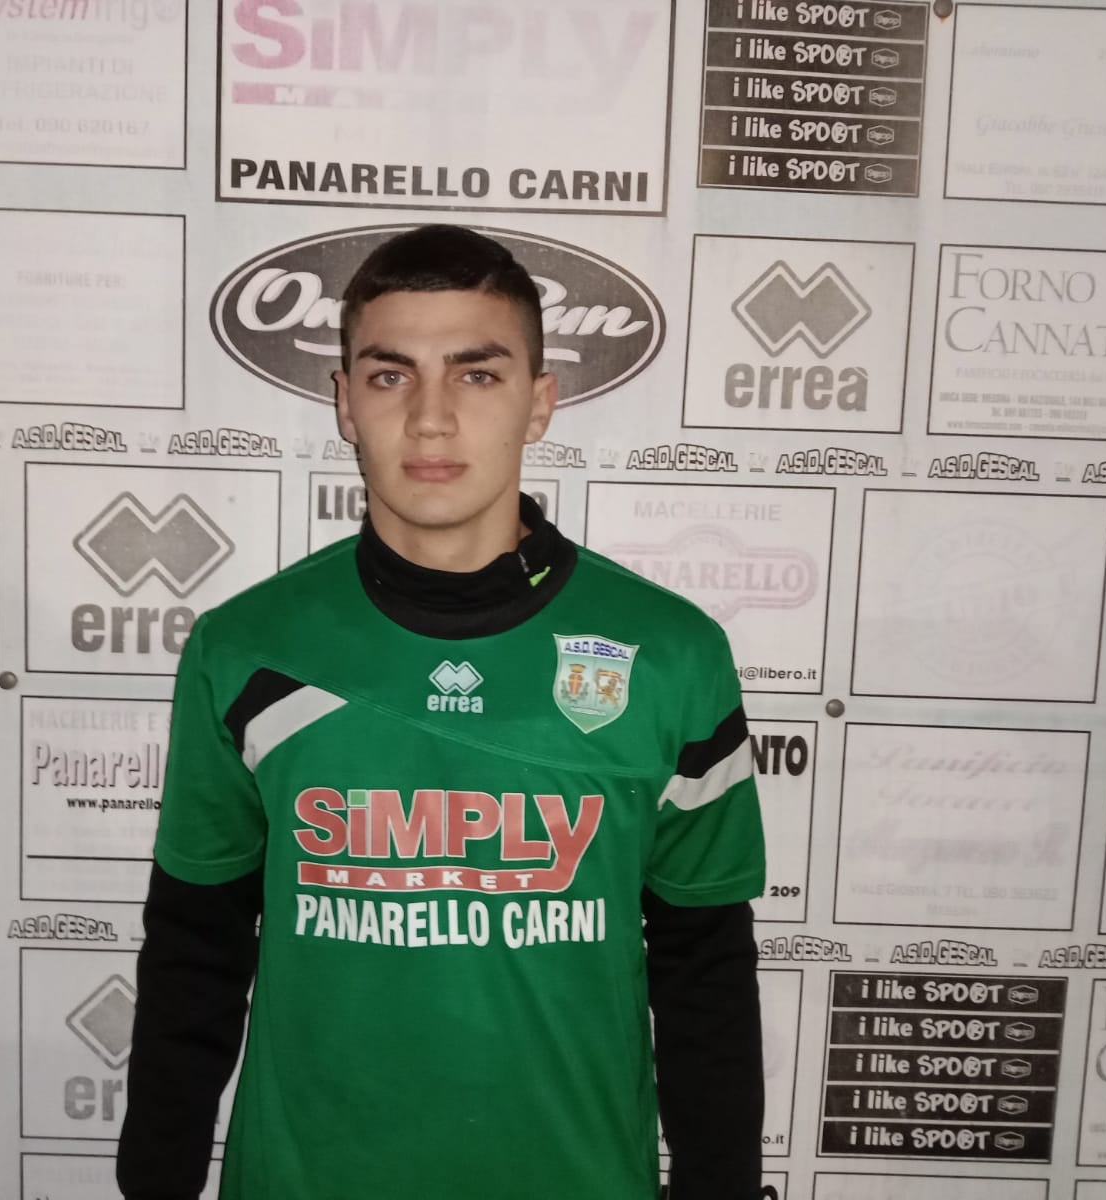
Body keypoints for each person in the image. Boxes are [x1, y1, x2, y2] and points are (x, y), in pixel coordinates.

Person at [118, 225, 766, 1200]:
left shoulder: (670, 655)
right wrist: (153, 1183)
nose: (430, 419)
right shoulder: (246, 649)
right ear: (344, 402)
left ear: (538, 402)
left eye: (477, 375)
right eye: (390, 377)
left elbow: (702, 961)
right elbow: (193, 947)